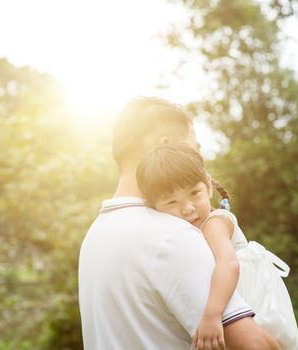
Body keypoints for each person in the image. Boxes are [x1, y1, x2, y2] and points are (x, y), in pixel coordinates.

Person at [78, 97, 280, 350]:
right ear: (166, 145)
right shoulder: (172, 235)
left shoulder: (96, 236)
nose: (200, 162)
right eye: (195, 148)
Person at [136, 143, 298, 350]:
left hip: (258, 310)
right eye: (171, 202)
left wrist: (211, 316)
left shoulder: (215, 222)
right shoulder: (183, 234)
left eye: (194, 193)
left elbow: (228, 263)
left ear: (208, 186)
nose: (187, 208)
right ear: (153, 208)